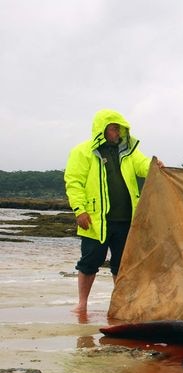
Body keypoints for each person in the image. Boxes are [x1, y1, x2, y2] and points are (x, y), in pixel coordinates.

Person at [64, 109, 164, 313]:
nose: (117, 132)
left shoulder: (128, 151)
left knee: (122, 265)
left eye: (119, 128)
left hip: (126, 219)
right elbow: (73, 182)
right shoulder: (82, 151)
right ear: (103, 129)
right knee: (90, 262)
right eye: (113, 128)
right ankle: (82, 303)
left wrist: (154, 165)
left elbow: (142, 166)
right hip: (95, 220)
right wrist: (79, 210)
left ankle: (121, 304)